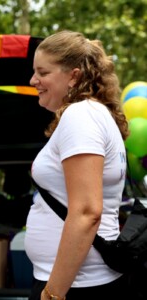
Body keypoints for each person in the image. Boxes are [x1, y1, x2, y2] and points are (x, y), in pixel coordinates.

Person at [25, 30, 129, 300]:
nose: (33, 80)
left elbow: (86, 212)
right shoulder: (94, 114)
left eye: (42, 72)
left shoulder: (81, 115)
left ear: (73, 75)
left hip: (77, 287)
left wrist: (54, 293)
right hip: (81, 283)